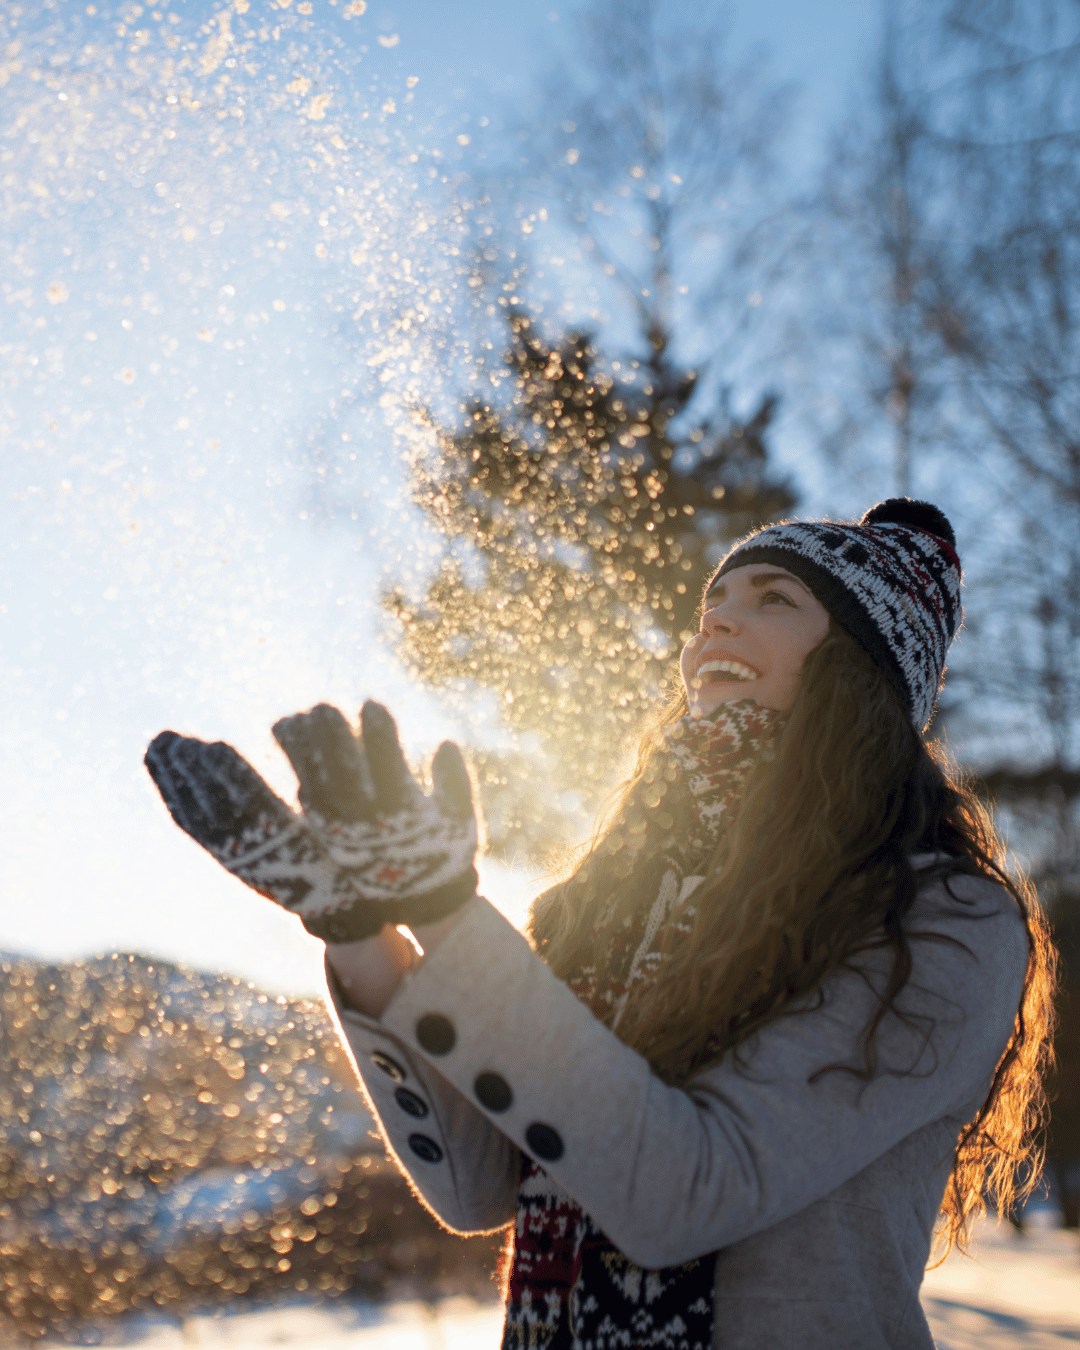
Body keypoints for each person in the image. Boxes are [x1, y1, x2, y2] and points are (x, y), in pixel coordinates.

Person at [145, 498, 1055, 1350]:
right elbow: (477, 1183)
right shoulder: (626, 896)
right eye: (713, 606)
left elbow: (683, 1189)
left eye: (774, 599)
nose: (717, 626)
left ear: (862, 672)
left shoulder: (943, 918)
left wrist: (441, 910)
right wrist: (353, 923)